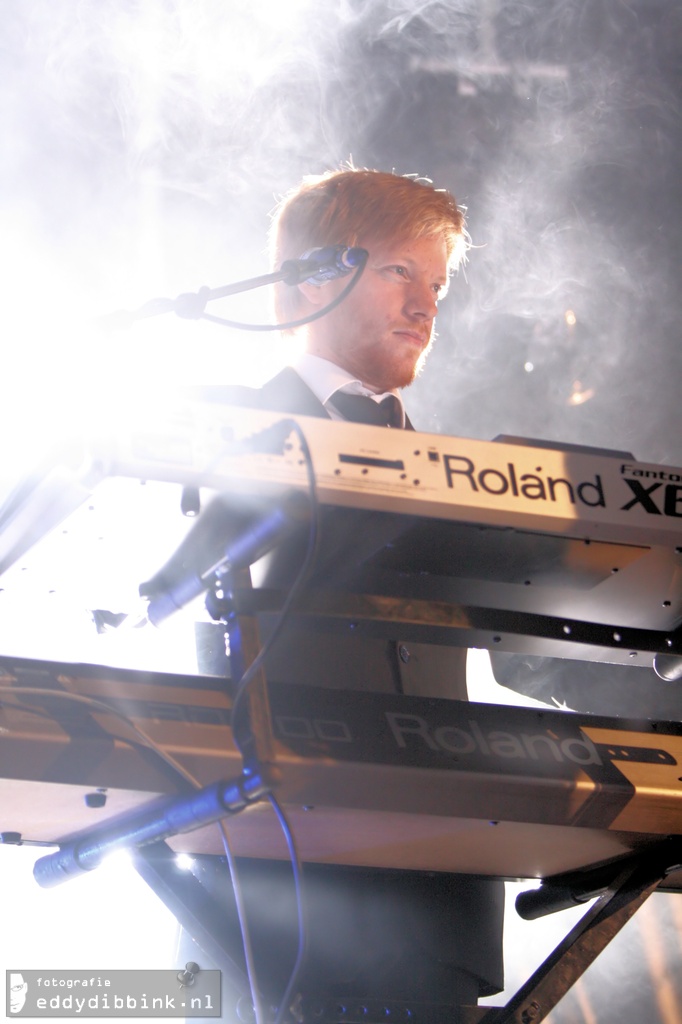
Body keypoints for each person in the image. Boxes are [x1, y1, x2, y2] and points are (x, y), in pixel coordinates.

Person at [193, 168, 505, 1009]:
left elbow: (539, 634)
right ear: (309, 281)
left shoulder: (471, 477)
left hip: (439, 913)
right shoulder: (214, 433)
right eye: (400, 271)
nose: (425, 305)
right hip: (274, 904)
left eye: (436, 284)